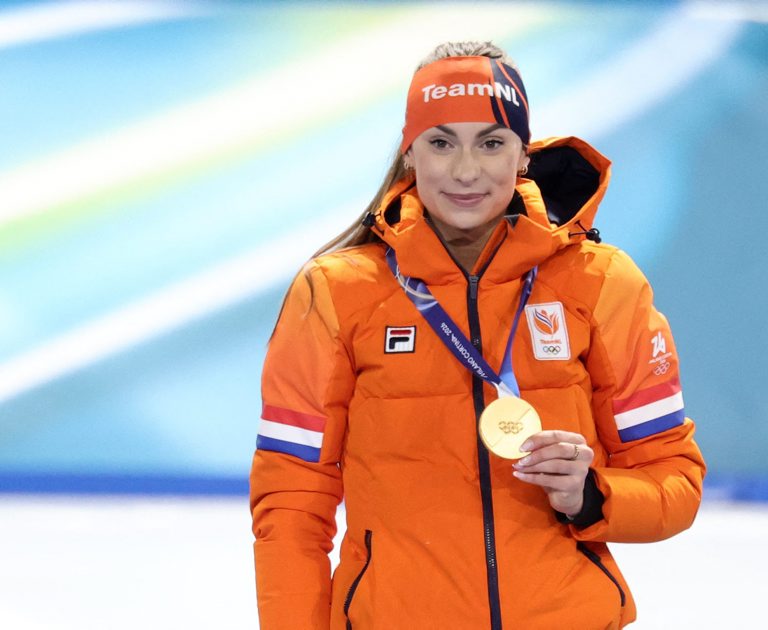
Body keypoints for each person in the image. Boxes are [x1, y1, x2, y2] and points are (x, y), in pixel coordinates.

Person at [250, 41, 705, 630]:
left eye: (491, 143)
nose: (466, 170)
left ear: (523, 154)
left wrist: (590, 495)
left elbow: (674, 482)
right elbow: (291, 502)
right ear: (410, 152)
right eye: (441, 143)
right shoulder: (334, 293)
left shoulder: (601, 283)